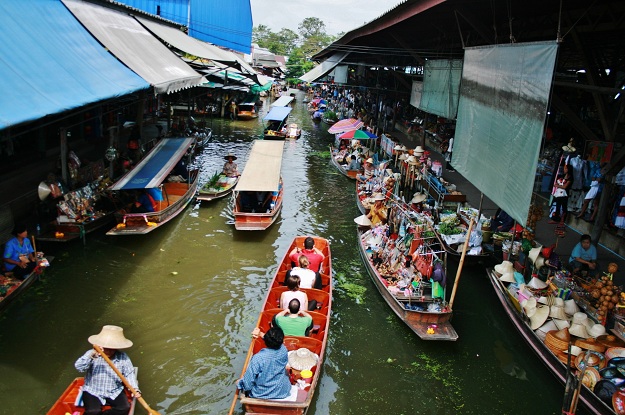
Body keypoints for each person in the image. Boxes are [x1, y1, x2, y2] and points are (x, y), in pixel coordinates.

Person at [74, 325, 140, 415]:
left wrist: (135, 389)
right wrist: (93, 355)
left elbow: (129, 374)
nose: (109, 351)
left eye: (112, 349)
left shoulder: (123, 357)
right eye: (106, 348)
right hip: (93, 390)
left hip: (114, 390)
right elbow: (79, 367)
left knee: (124, 408)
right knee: (93, 411)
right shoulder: (92, 353)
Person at [237, 326, 292, 399]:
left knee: (240, 382)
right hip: (283, 391)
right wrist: (260, 334)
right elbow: (277, 343)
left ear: (266, 341)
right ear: (281, 341)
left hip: (261, 394)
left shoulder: (258, 358)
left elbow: (247, 385)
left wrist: (240, 384)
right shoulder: (283, 350)